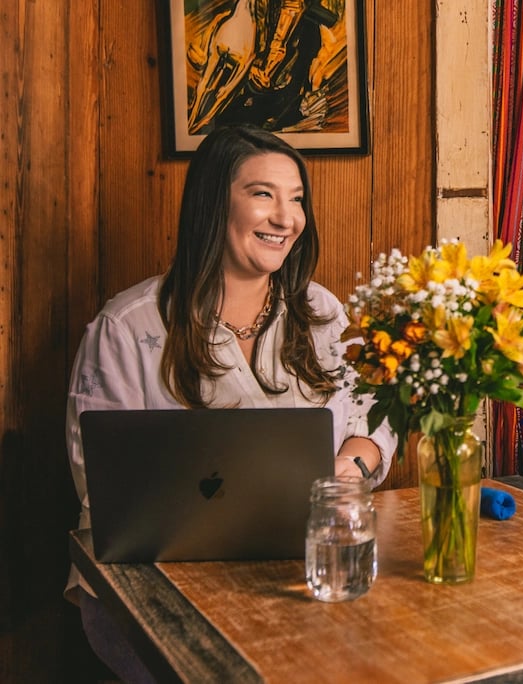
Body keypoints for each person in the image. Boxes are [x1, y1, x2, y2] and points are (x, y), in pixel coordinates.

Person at [65, 124, 397, 681]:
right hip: (151, 587)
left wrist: (349, 467)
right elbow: (97, 476)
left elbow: (373, 424)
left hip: (299, 571)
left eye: (296, 200)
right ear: (213, 203)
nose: (285, 218)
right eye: (263, 194)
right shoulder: (127, 326)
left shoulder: (323, 313)